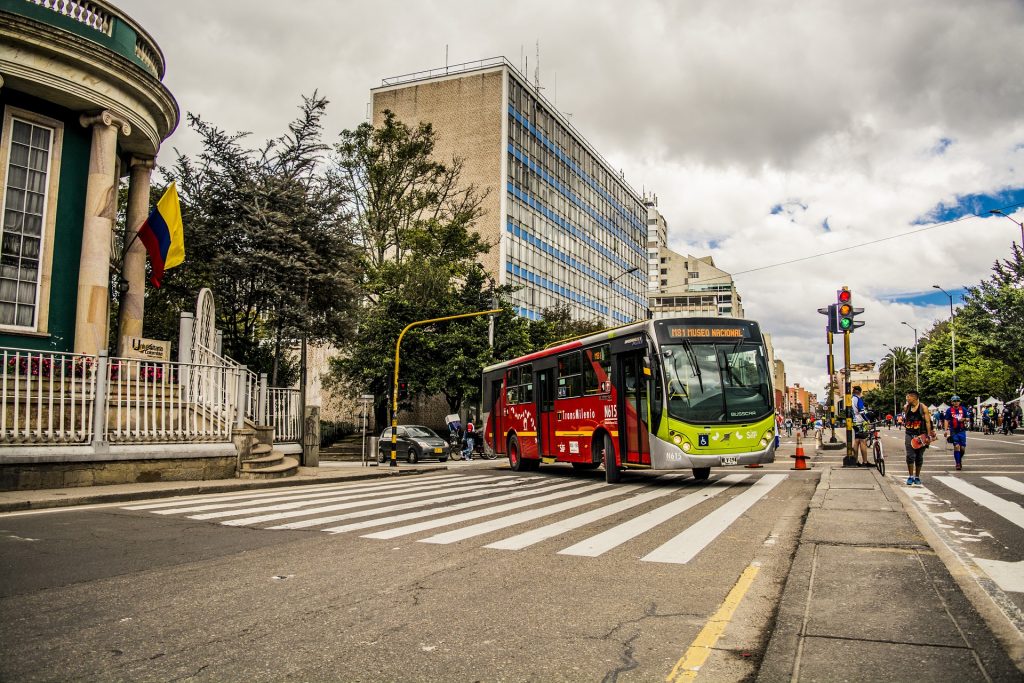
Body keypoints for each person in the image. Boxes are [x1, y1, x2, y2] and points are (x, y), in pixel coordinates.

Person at [903, 390, 936, 486]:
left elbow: (927, 422)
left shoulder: (923, 408)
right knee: (910, 456)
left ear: (914, 397)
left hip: (921, 434)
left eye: (908, 397)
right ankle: (910, 476)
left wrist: (929, 436)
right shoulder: (906, 407)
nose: (907, 398)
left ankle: (917, 476)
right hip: (909, 433)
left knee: (919, 456)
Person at [943, 396, 969, 471]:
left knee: (962, 448)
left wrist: (964, 419)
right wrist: (945, 430)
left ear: (959, 402)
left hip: (962, 430)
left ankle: (959, 459)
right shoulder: (949, 410)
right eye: (954, 401)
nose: (956, 402)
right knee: (957, 446)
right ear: (952, 402)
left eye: (957, 401)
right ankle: (958, 463)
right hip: (953, 431)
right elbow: (946, 420)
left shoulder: (963, 409)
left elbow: (968, 418)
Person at [851, 386, 870, 467]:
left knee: (856, 441)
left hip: (854, 422)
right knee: (863, 441)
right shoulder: (858, 399)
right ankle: (865, 462)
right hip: (860, 422)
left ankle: (855, 460)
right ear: (859, 392)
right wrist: (867, 420)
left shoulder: (851, 399)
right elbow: (862, 412)